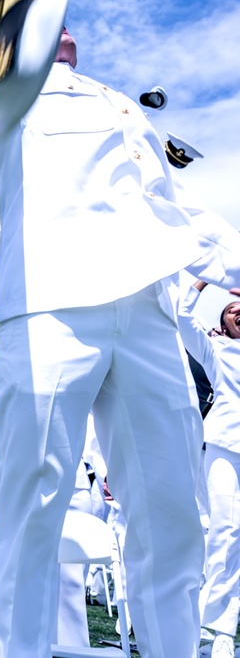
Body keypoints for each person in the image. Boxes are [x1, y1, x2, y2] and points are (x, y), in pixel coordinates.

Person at [0, 3, 240, 656]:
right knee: (31, 514)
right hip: (51, 303)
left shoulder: (121, 105)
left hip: (148, 311)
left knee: (174, 517)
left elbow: (172, 207)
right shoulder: (3, 95)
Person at [180, 281, 240, 658]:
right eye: (233, 308)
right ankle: (217, 633)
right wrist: (206, 277)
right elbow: (182, 315)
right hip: (224, 447)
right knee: (226, 530)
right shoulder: (217, 348)